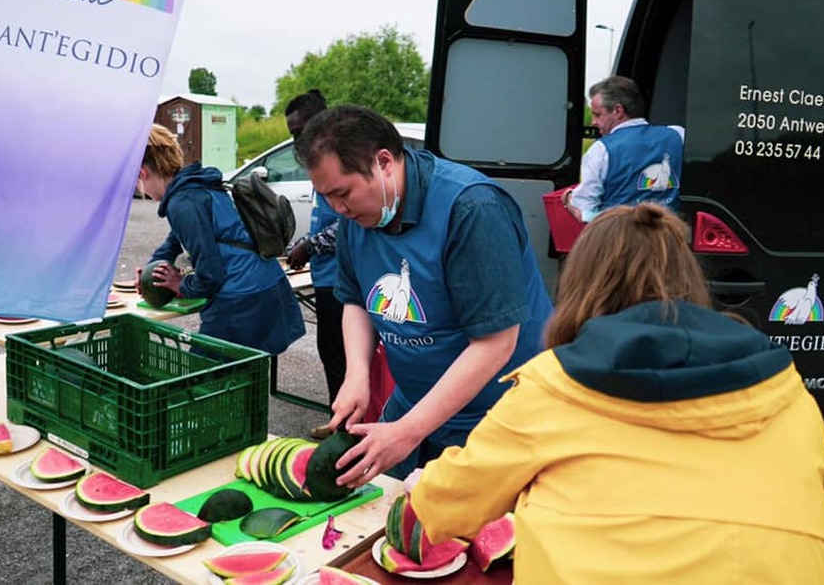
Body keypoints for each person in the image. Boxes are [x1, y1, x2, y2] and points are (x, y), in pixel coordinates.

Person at [408, 203, 824, 584]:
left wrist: (422, 485)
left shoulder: (552, 387)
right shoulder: (789, 393)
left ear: (581, 288)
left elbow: (445, 505)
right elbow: (823, 484)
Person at [294, 104, 553, 485]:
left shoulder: (472, 209)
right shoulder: (355, 217)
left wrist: (408, 430)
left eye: (342, 192)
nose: (337, 208)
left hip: (499, 415)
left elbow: (496, 342)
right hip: (413, 403)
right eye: (326, 197)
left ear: (383, 162)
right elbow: (355, 301)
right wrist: (357, 376)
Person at [136, 123, 305, 356]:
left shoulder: (182, 202)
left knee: (204, 375)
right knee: (245, 372)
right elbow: (175, 240)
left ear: (142, 173)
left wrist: (180, 285)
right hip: (266, 284)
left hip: (241, 297)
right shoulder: (196, 187)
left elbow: (210, 275)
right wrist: (150, 274)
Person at [283, 90, 347, 438]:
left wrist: (311, 245)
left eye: (301, 129)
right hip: (325, 278)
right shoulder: (317, 165)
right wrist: (300, 245)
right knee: (331, 356)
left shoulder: (338, 161)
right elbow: (323, 223)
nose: (297, 138)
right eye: (292, 132)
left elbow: (349, 224)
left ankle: (347, 428)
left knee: (342, 358)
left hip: (343, 283)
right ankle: (341, 421)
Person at [564, 75, 685, 222]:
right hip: (668, 238)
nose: (594, 122)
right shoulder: (678, 135)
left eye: (597, 115)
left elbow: (585, 212)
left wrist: (569, 199)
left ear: (618, 111)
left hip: (620, 240)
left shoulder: (601, 149)